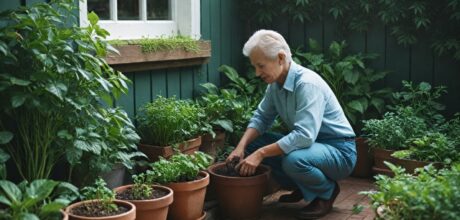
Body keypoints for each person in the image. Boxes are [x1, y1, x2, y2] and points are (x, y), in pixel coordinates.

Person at [226, 29, 357, 219]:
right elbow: (261, 118)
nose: (257, 73)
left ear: (280, 58)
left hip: (339, 151)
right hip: (311, 148)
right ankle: (304, 187)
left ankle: (326, 192)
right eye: (255, 66)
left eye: (261, 66)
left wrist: (261, 154)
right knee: (254, 144)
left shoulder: (306, 84)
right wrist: (241, 147)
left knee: (293, 159)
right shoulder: (275, 86)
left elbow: (304, 136)